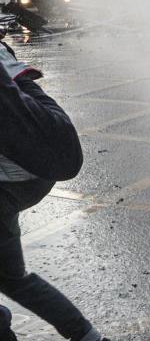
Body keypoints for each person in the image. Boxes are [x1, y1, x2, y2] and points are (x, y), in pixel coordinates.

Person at [0, 43, 109, 341]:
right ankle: (87, 336)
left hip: (17, 177)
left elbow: (63, 152)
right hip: (27, 175)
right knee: (12, 278)